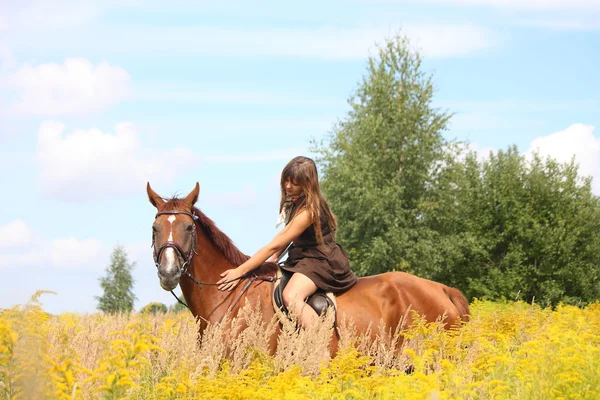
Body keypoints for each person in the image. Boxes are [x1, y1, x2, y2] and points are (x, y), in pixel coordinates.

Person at [216, 156, 358, 328]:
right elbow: (285, 239)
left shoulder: (309, 211)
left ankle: (320, 342)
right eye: (286, 180)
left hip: (321, 262)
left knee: (291, 296)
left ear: (308, 184)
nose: (288, 186)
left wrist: (239, 271)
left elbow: (274, 244)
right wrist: (275, 257)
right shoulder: (297, 201)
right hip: (303, 258)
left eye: (294, 183)